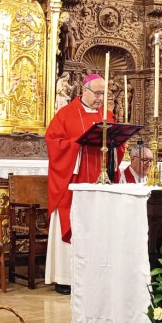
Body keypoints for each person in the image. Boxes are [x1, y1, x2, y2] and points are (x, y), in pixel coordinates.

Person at [44, 73, 121, 295]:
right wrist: (78, 146)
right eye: (97, 93)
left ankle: (96, 276)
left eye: (104, 94)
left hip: (99, 183)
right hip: (72, 183)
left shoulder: (107, 116)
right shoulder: (65, 114)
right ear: (84, 91)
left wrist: (116, 145)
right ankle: (65, 279)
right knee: (71, 223)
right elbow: (53, 144)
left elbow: (117, 145)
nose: (101, 99)